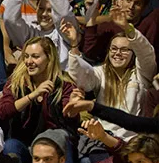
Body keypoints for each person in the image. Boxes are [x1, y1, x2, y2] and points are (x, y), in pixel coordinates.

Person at [65, 8, 156, 141]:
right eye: (113, 49)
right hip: (102, 137)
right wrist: (74, 44)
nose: (117, 53)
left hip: (131, 141)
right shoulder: (100, 72)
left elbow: (146, 53)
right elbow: (81, 76)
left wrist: (127, 28)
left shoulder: (141, 74)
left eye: (124, 50)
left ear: (133, 54)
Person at [0, 36, 79, 163]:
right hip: (25, 143)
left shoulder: (64, 85)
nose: (29, 62)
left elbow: (70, 119)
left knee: (62, 138)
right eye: (26, 56)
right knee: (10, 145)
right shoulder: (17, 82)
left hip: (54, 145)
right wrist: (32, 95)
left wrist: (73, 106)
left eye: (35, 57)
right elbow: (4, 112)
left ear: (49, 58)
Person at [2, 0, 77, 70]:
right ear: (36, 9)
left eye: (50, 10)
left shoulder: (64, 34)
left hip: (62, 81)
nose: (45, 14)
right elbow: (10, 19)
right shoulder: (31, 35)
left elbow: (64, 14)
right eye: (41, 9)